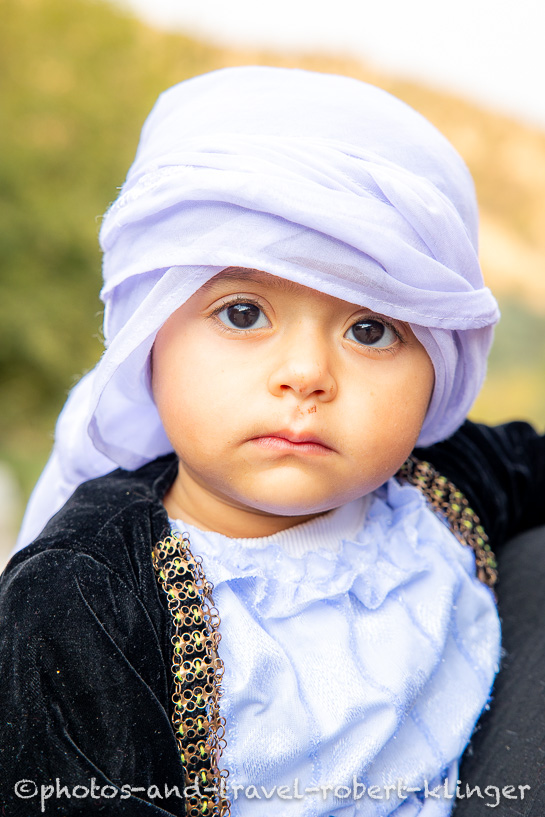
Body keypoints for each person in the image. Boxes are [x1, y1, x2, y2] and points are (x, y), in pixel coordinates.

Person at [0, 66, 543, 817]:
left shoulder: (444, 485)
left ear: (435, 371)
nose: (306, 374)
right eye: (243, 313)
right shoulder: (86, 593)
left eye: (370, 329)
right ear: (150, 336)